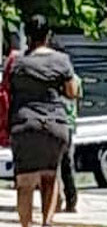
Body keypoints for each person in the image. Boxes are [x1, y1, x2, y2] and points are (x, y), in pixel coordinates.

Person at [9, 15, 79, 227]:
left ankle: (26, 224)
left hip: (25, 124)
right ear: (48, 36)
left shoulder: (18, 62)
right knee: (50, 176)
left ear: (27, 35)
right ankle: (46, 223)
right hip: (54, 125)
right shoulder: (62, 61)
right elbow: (71, 93)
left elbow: (10, 90)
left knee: (25, 182)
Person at [60, 74, 81, 212]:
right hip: (69, 125)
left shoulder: (55, 78)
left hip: (58, 122)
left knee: (56, 165)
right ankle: (71, 201)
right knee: (68, 165)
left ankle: (58, 200)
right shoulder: (77, 79)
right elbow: (78, 102)